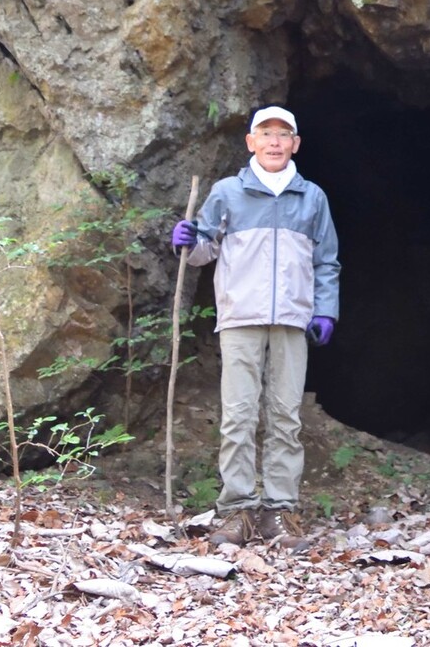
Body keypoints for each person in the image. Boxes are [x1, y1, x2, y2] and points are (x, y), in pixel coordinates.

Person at [170, 106, 340, 545]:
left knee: (286, 416)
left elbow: (326, 260)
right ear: (251, 142)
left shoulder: (312, 197)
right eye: (266, 133)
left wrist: (325, 310)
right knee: (239, 415)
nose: (275, 142)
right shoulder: (228, 192)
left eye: (284, 134)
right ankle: (237, 512)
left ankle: (279, 513)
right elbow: (204, 250)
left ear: (296, 144)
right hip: (240, 317)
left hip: (291, 318)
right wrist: (188, 242)